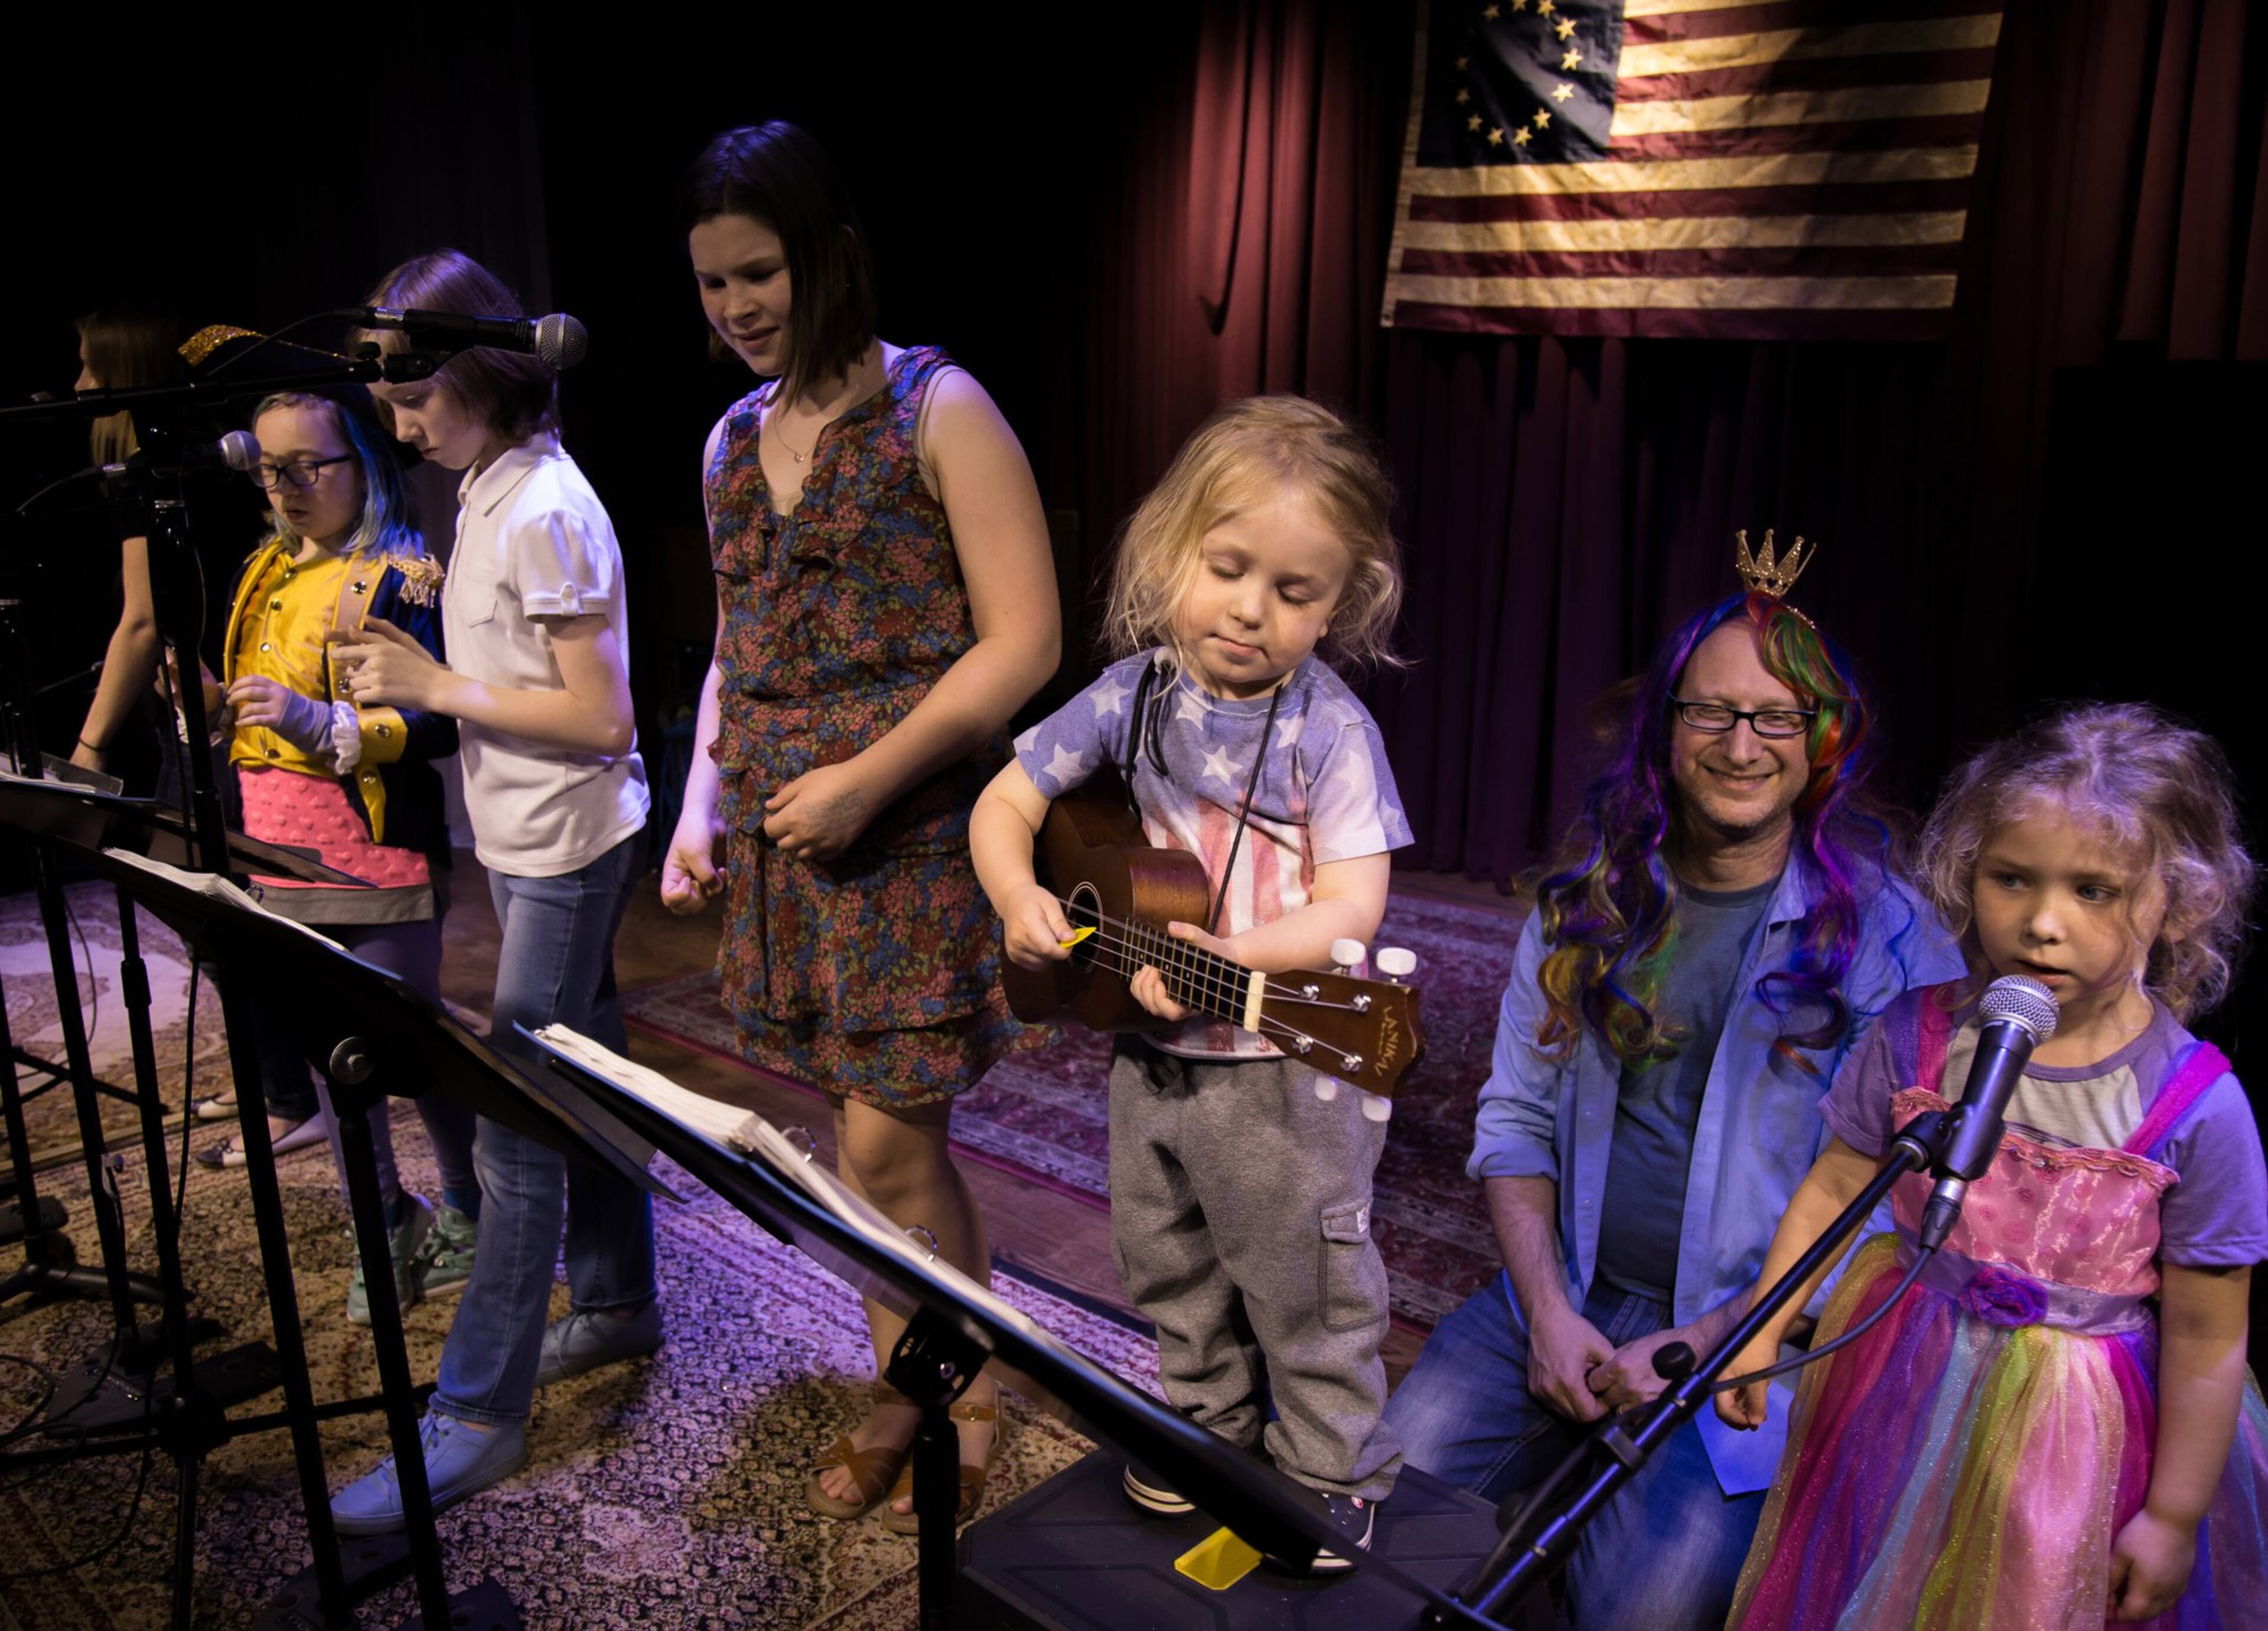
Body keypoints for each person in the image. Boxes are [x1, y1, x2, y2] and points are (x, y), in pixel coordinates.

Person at [1380, 554, 1963, 1629]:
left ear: (1821, 739)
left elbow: (1895, 1210)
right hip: (1564, 1295)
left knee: (1643, 1612)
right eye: (1713, 712)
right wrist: (1550, 1314)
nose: (1742, 746)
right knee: (1374, 1522)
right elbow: (1512, 1118)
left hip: (1756, 1336)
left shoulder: (1892, 941)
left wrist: (1711, 1337)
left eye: (1776, 719)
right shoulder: (1588, 903)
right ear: (1666, 726)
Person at [660, 121, 1059, 1535]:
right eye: (711, 284)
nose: (736, 307)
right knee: (849, 1150)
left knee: (887, 1153)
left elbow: (1021, 643)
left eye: (757, 272)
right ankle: (926, 1354)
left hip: (902, 847)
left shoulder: (938, 405)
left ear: (829, 252)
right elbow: (738, 633)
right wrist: (699, 799)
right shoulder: (725, 437)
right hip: (785, 848)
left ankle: (945, 1377)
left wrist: (863, 781)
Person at [970, 394, 1411, 1568]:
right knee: (1164, 1250)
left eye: (1296, 591)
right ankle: (1204, 1425)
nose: (1252, 610)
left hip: (1283, 1063)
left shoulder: (1333, 732)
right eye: (1227, 569)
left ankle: (1330, 1473)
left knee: (1303, 1274)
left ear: (1342, 602)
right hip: (1148, 1048)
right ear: (1174, 552)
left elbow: (1352, 906)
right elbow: (1007, 802)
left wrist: (1235, 956)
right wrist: (1022, 901)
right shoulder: (1133, 694)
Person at [1719, 703, 2268, 1629]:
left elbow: (2209, 1337)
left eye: (2095, 891)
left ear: (2177, 899)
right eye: (2014, 879)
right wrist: (1764, 1328)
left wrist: (2173, 1515)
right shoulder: (1918, 1037)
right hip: (1899, 1378)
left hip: (2075, 1436)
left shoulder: (2196, 1108)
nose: (2044, 922)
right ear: (1969, 875)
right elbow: (1836, 1187)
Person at [325, 249, 654, 1533]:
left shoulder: (543, 508)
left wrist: (432, 687)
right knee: (599, 1075)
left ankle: (476, 1411)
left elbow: (601, 711)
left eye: (415, 395)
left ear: (481, 369)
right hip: (529, 839)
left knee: (516, 1124)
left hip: (567, 846)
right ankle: (619, 1298)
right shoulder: (487, 491)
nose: (397, 423)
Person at [191, 385, 479, 1326]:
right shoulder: (259, 572)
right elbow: (250, 720)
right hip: (273, 849)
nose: (288, 486)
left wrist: (322, 721)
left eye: (310, 465)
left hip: (376, 853)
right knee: (328, 1055)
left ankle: (472, 1209)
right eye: (272, 469)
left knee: (410, 1042)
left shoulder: (399, 575)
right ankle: (383, 1218)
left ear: (364, 461)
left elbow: (435, 723)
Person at [67, 301, 185, 781]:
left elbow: (144, 621)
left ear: (127, 373)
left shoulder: (152, 472)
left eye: (92, 370)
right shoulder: (179, 456)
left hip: (199, 720)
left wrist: (90, 745)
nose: (80, 386)